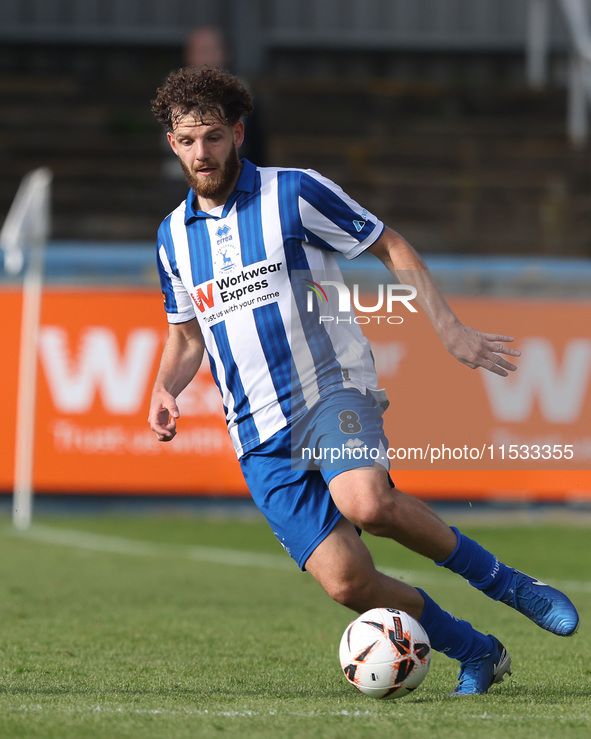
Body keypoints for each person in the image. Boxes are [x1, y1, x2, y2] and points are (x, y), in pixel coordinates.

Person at [148, 66, 579, 696]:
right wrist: (165, 388)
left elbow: (391, 245)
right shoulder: (171, 239)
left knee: (367, 503)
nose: (201, 152)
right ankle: (477, 651)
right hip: (257, 432)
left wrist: (450, 330)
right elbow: (187, 337)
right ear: (172, 145)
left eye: (213, 136)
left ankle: (512, 585)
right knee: (347, 582)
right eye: (188, 141)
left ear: (238, 133)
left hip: (330, 389)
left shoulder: (292, 193)